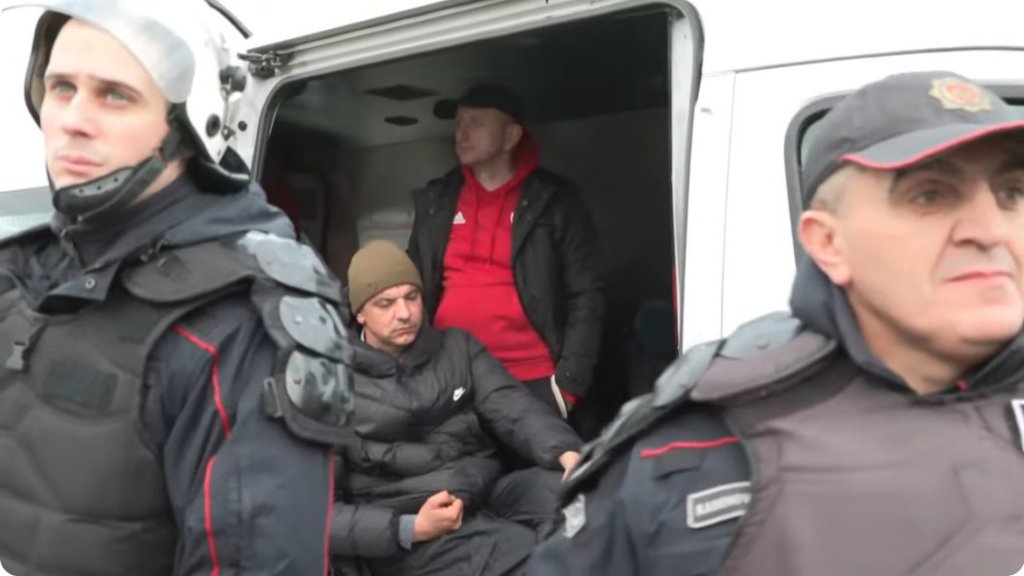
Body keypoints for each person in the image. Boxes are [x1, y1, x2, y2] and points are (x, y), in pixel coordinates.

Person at [527, 71, 1024, 576]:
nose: (992, 230)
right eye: (929, 195)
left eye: (1012, 192)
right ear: (828, 243)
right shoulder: (698, 459)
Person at [0, 2, 355, 574]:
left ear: (190, 126)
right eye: (61, 87)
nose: (72, 119)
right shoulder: (27, 270)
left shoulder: (237, 323)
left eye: (115, 95)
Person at [330, 240, 583, 576]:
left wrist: (568, 453)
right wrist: (409, 528)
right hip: (410, 528)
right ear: (360, 313)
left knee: (583, 503)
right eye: (385, 303)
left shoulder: (456, 347)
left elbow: (513, 406)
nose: (404, 313)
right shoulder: (332, 381)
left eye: (412, 297)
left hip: (483, 492)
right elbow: (316, 515)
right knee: (530, 557)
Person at [407, 84, 604, 419]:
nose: (462, 134)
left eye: (476, 123)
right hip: (451, 376)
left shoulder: (554, 201)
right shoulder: (437, 200)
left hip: (532, 379)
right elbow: (409, 284)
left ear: (511, 136)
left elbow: (586, 295)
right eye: (459, 123)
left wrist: (567, 387)